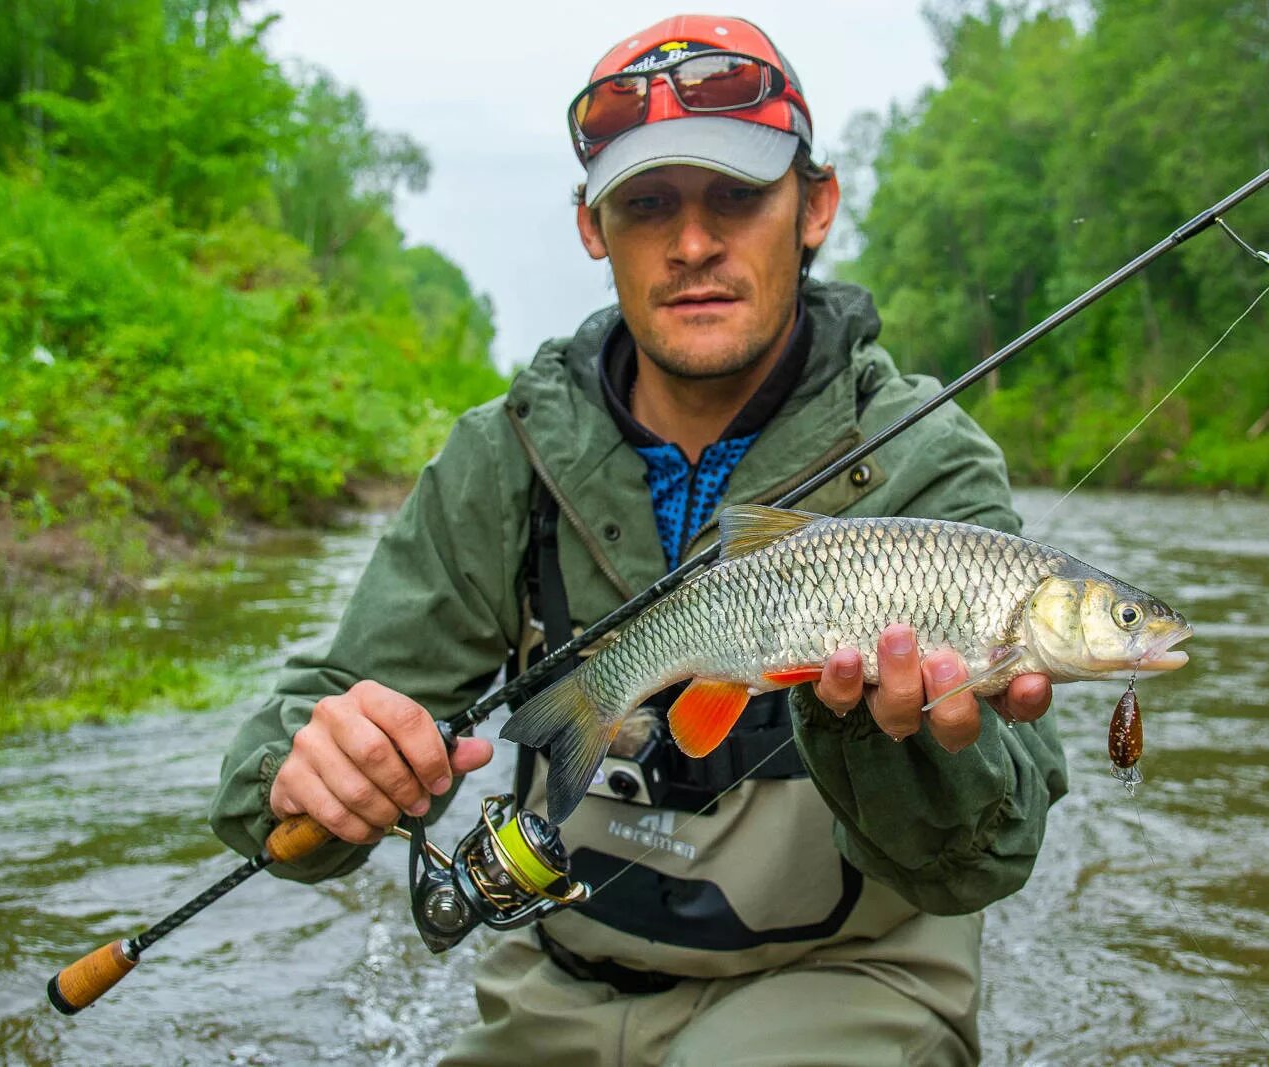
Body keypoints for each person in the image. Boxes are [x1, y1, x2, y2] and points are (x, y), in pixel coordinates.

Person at [211, 14, 1067, 1065]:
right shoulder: (502, 454)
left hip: (846, 980)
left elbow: (989, 855)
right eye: (648, 205)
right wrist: (305, 770)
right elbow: (295, 736)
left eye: (738, 198)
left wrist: (877, 732)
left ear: (815, 206)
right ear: (592, 226)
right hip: (552, 989)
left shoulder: (926, 459)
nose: (694, 244)